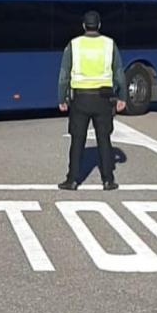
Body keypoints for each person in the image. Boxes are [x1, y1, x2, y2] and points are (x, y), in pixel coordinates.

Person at [56, 10, 127, 191]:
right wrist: (122, 96)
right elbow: (119, 71)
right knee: (104, 139)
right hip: (103, 99)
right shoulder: (109, 44)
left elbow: (64, 73)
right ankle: (108, 180)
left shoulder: (74, 44)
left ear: (83, 26)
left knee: (77, 140)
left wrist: (61, 97)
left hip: (80, 99)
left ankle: (72, 180)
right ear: (99, 25)